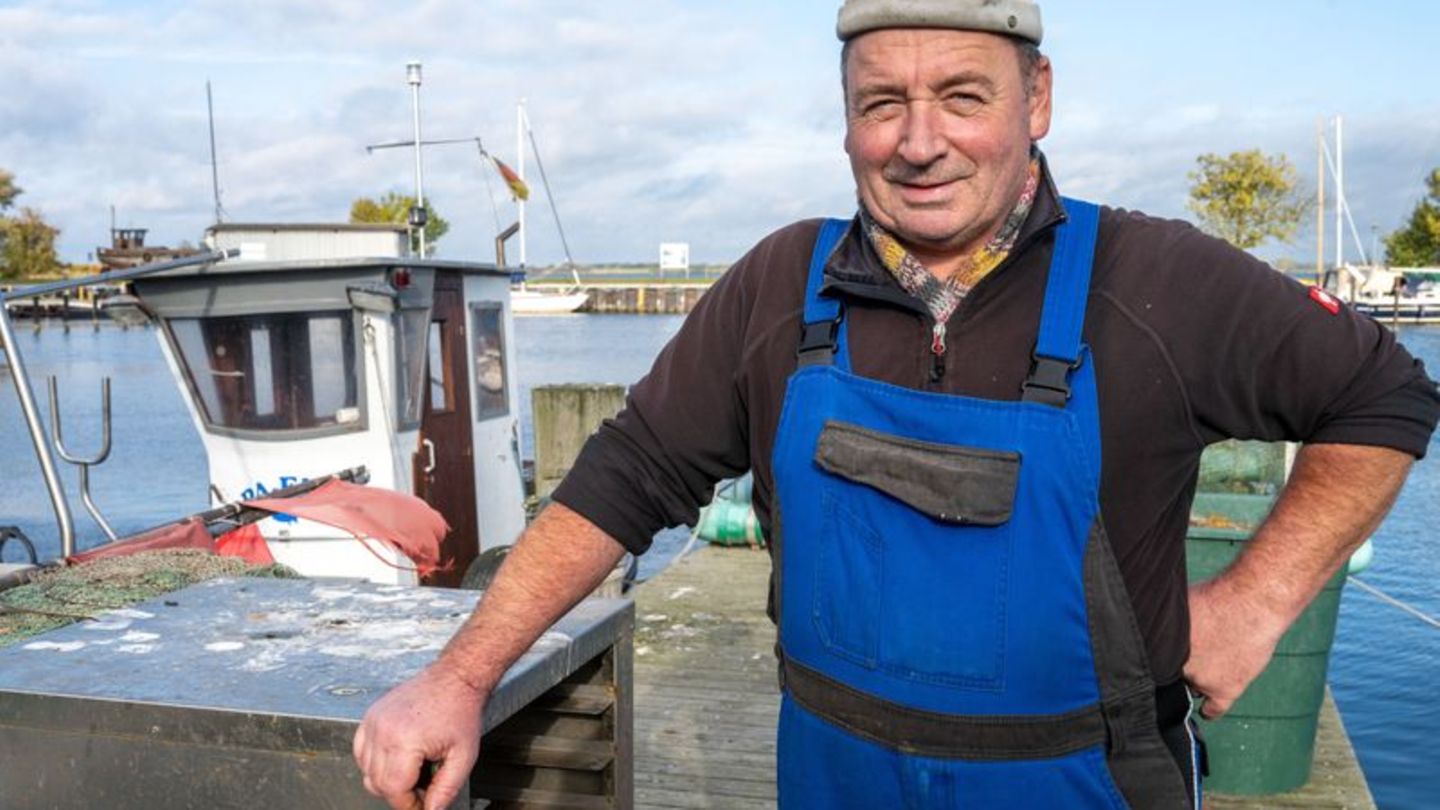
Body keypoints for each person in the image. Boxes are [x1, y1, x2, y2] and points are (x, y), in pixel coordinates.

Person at [355, 1, 1439, 807]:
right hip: (831, 774)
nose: (919, 142)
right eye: (884, 103)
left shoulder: (1155, 283)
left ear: (1038, 100)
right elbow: (624, 479)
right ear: (846, 120)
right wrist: (459, 677)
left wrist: (1257, 600)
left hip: (1085, 783)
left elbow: (1384, 394)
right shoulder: (782, 287)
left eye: (963, 95)